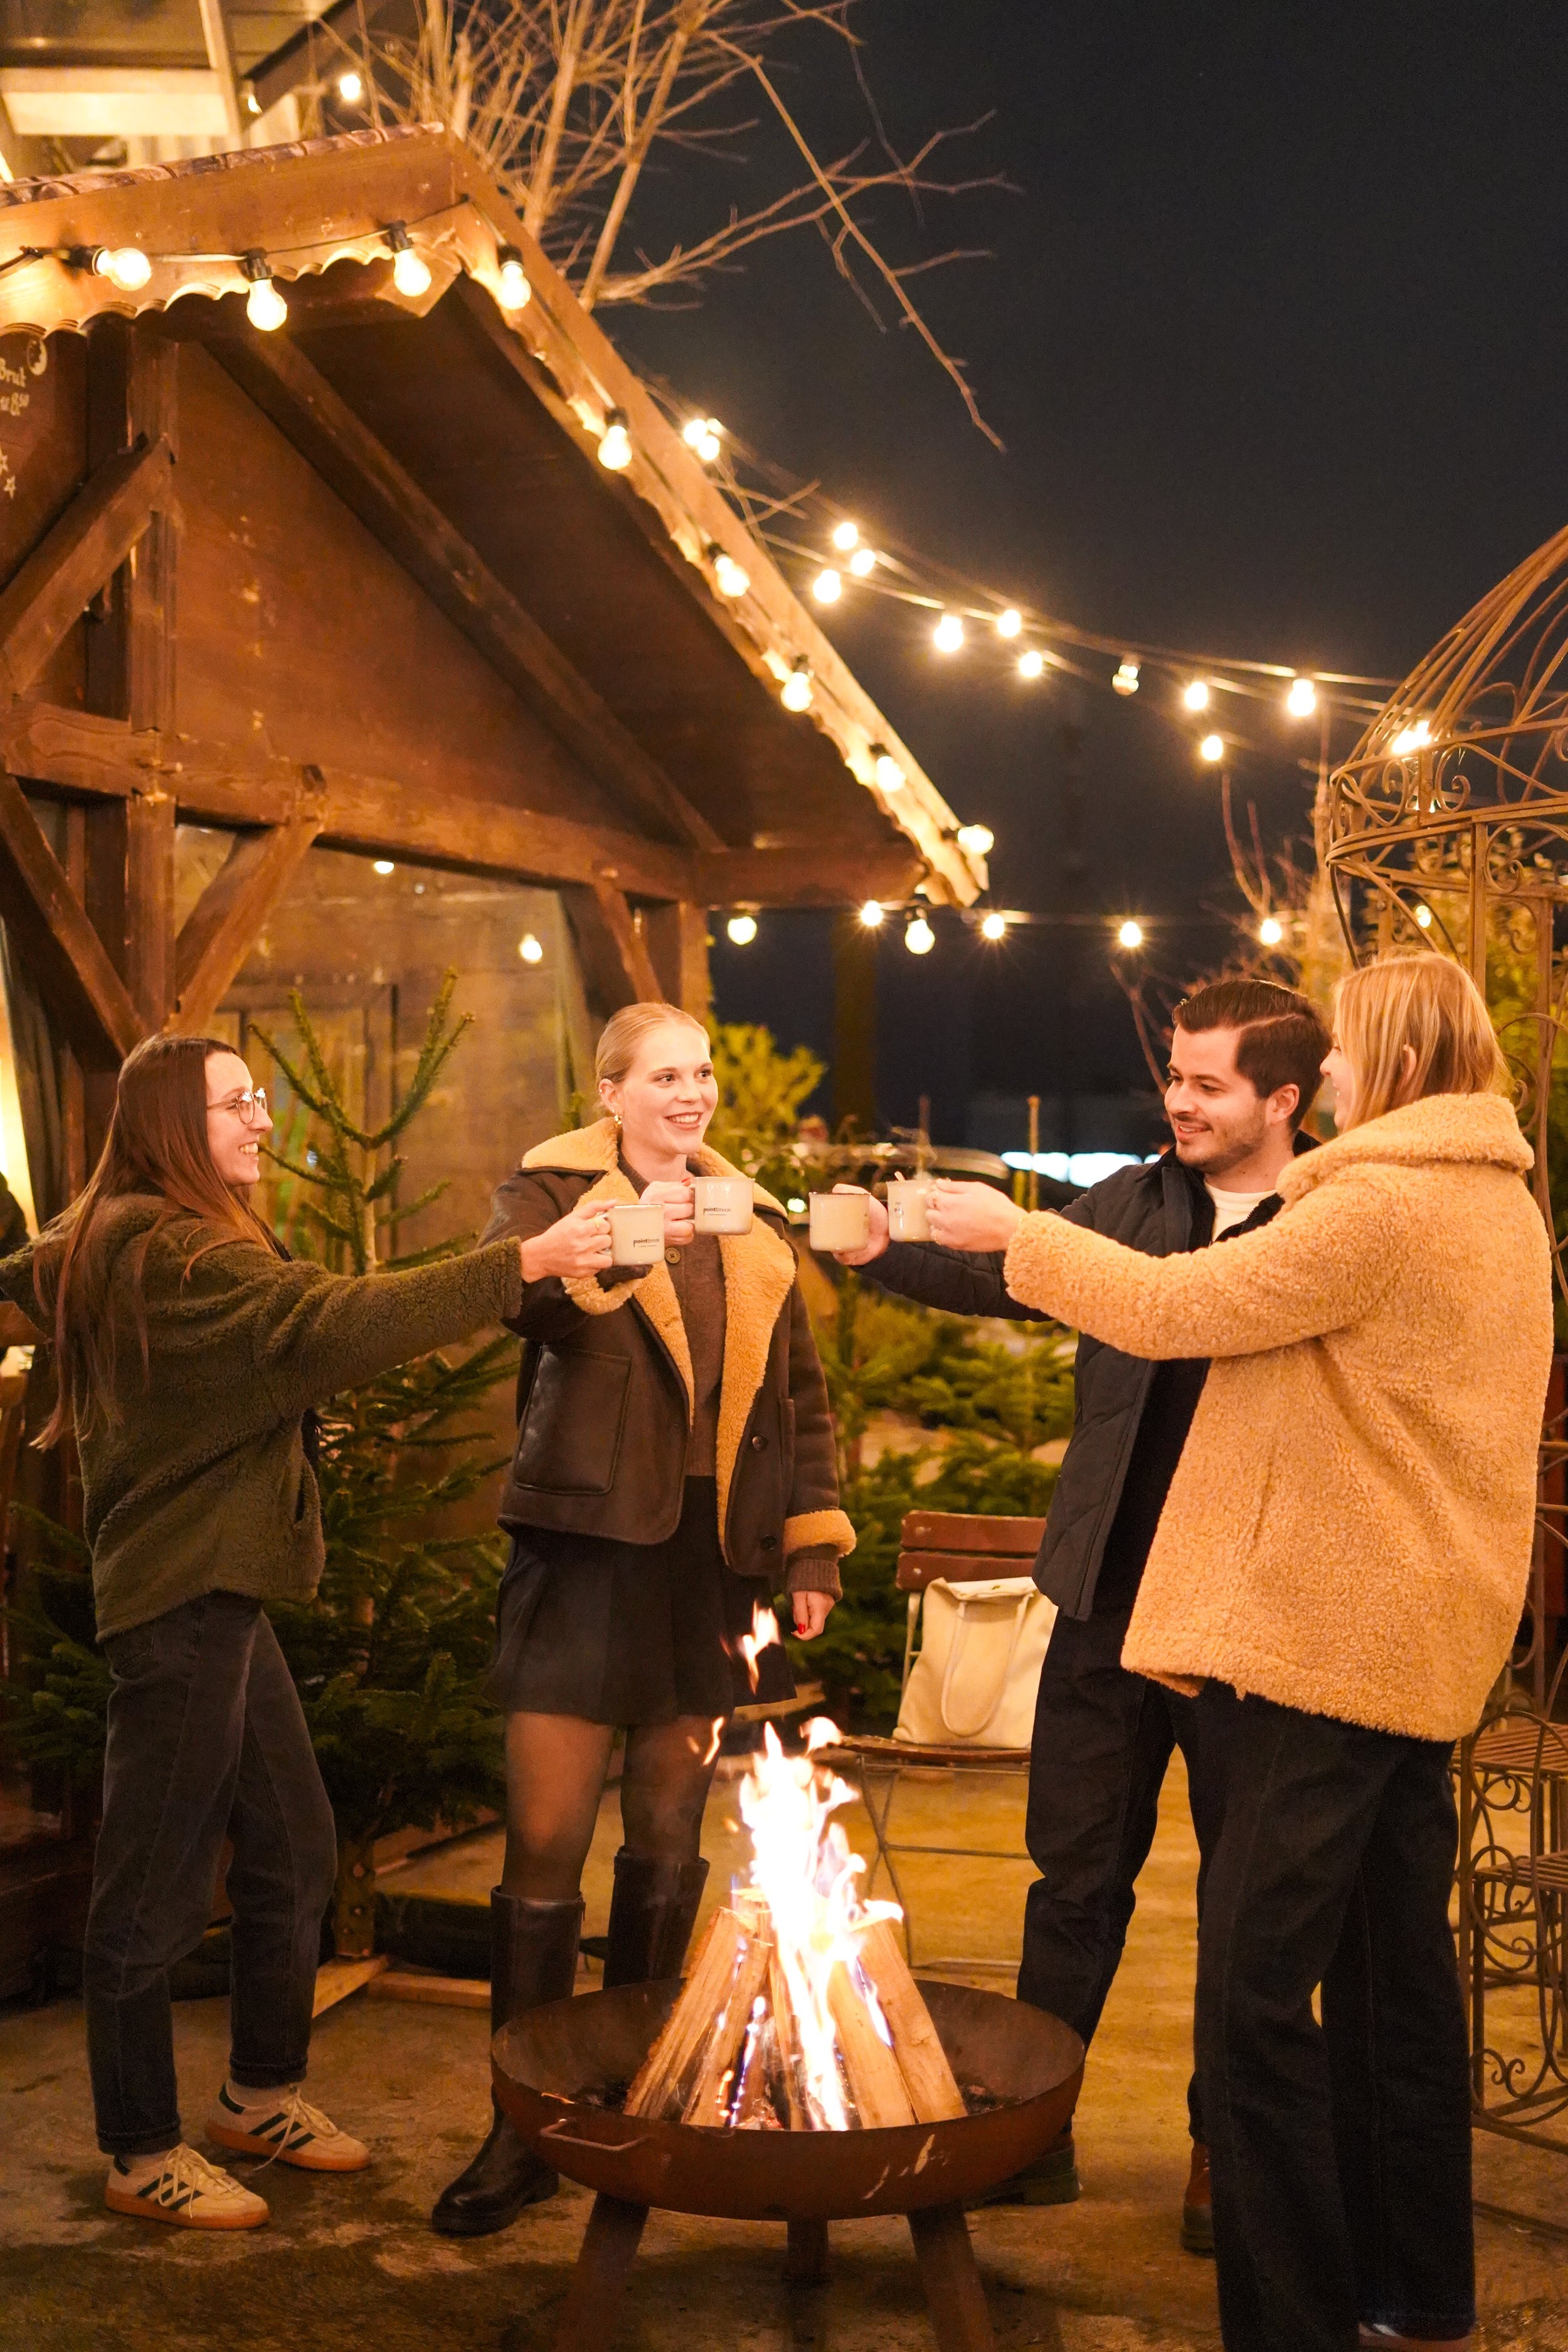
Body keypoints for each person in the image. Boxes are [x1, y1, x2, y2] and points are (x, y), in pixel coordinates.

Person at [915, 952, 1552, 2352]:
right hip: (1416, 1646)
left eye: (1335, 1057)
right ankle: (1416, 2293)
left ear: (1385, 1061)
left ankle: (1291, 2323)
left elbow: (1171, 1309)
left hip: (1318, 1649)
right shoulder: (1497, 1207)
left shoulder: (1381, 1206)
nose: (1319, 1075)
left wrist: (1006, 1231)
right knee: (1394, 1986)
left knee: (1251, 2008)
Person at [830, 976, 1329, 2240]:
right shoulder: (1137, 1200)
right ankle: (1032, 2131)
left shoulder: (1330, 1218)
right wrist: (884, 1254)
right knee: (1071, 1884)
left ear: (1282, 1099)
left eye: (1207, 1083)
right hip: (1107, 1605)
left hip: (1247, 1619)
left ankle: (1226, 2149)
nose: (1177, 1100)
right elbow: (1010, 1276)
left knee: (1243, 1902)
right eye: (1173, 1073)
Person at [0, 1034, 526, 2232]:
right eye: (235, 1104)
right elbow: (331, 1323)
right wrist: (518, 1264)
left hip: (224, 1589)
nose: (260, 1120)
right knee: (149, 1892)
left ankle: (258, 2093)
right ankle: (140, 2148)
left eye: (258, 1097)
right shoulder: (169, 1250)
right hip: (180, 1599)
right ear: (172, 1128)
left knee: (294, 1842)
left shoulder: (128, 1230)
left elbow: (24, 1273)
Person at [432, 1000, 853, 2238]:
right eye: (662, 1075)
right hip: (580, 1550)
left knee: (668, 1832)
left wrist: (810, 1549)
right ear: (608, 1094)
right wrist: (617, 1238)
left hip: (706, 1566)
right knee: (547, 1837)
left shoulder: (752, 1220)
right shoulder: (546, 1197)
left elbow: (801, 1400)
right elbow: (531, 1309)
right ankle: (522, 2127)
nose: (690, 1092)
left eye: (701, 1072)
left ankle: (635, 2098)